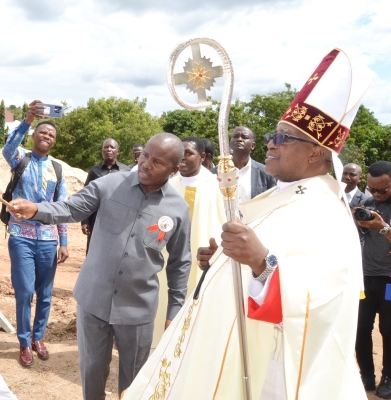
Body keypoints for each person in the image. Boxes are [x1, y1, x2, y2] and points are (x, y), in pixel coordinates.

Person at [123, 48, 370, 399]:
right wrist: (221, 261)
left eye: (284, 137)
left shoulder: (327, 210)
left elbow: (320, 300)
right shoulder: (286, 195)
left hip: (271, 371)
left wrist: (259, 261)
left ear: (316, 152)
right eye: (274, 134)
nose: (270, 142)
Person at [8, 133, 191, 400]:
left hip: (138, 310)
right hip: (93, 301)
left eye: (158, 162)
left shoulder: (178, 209)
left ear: (175, 170)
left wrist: (174, 311)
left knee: (134, 379)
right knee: (92, 372)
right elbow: (70, 208)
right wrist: (36, 209)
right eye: (145, 156)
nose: (146, 164)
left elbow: (179, 264)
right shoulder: (108, 184)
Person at [2, 100, 69, 368]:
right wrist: (28, 118)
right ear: (35, 135)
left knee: (45, 292)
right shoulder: (21, 158)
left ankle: (38, 338)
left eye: (51, 135)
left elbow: (62, 207)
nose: (47, 137)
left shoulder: (58, 169)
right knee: (24, 291)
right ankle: (23, 341)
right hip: (21, 236)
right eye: (43, 132)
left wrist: (64, 241)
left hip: (48, 241)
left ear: (54, 142)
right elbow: (6, 148)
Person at [152, 136, 226, 348]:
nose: (182, 158)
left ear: (202, 157)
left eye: (188, 154)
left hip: (201, 259)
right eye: (179, 154)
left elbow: (225, 222)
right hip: (167, 256)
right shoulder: (168, 184)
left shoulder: (216, 186)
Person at [354, 161, 391, 397]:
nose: (376, 195)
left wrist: (384, 227)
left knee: (388, 329)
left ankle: (388, 376)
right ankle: (367, 376)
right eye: (372, 190)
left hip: (389, 280)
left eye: (382, 190)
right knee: (360, 328)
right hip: (365, 277)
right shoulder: (367, 204)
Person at [81, 138, 130, 254]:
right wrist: (84, 221)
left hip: (119, 220)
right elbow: (86, 197)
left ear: (117, 152)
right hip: (96, 219)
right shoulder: (94, 171)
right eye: (105, 147)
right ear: (102, 151)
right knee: (94, 251)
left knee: (116, 251)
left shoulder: (126, 171)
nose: (108, 149)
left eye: (112, 147)